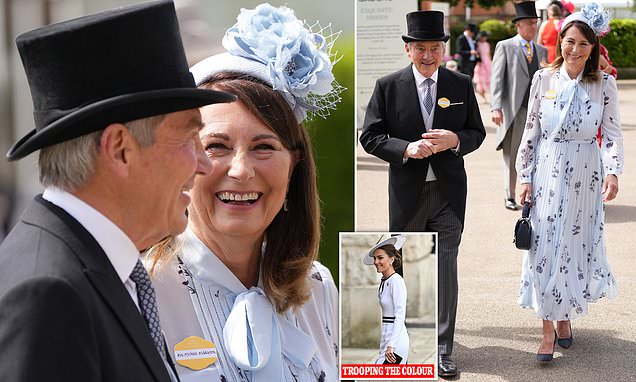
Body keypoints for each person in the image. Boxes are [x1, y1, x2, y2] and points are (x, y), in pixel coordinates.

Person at [0, 1, 235, 381]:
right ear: (120, 149)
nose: (204, 164)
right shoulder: (48, 293)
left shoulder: (92, 268)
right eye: (189, 137)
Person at [144, 4, 341, 381]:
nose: (241, 170)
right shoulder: (141, 293)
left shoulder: (318, 286)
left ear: (294, 164)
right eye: (216, 145)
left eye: (264, 147)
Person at [360, 10, 486, 378]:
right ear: (408, 49)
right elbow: (369, 136)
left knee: (445, 269)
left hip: (448, 193)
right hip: (408, 195)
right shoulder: (388, 86)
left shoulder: (460, 84)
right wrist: (405, 149)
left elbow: (476, 132)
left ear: (443, 50)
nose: (428, 55)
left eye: (434, 48)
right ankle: (404, 337)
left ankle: (443, 349)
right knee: (407, 272)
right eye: (420, 48)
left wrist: (456, 140)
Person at [515, 2, 623, 363]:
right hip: (547, 168)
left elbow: (610, 134)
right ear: (559, 41)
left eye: (581, 44)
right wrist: (523, 175)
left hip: (584, 172)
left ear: (593, 49)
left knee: (572, 247)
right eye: (568, 41)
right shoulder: (543, 79)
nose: (573, 49)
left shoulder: (604, 84)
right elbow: (531, 130)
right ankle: (547, 330)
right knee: (544, 247)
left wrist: (613, 171)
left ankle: (564, 316)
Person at [490, 1, 548, 211]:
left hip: (538, 112)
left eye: (535, 23)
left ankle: (532, 193)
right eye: (528, 23)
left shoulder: (541, 51)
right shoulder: (505, 46)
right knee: (512, 155)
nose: (533, 27)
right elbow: (496, 79)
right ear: (518, 26)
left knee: (537, 153)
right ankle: (509, 195)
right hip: (514, 111)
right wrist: (495, 107)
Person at [363, 236, 409, 365]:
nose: (376, 261)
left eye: (380, 257)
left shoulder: (396, 281)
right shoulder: (384, 282)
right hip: (387, 336)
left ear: (392, 259)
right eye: (375, 258)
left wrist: (392, 345)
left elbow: (400, 315)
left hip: (395, 339)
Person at [472, 31, 492, 103]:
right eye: (484, 36)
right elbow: (476, 54)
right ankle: (483, 97)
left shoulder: (487, 44)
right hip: (480, 63)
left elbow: (489, 54)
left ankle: (487, 96)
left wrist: (490, 62)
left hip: (487, 62)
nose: (485, 38)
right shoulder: (477, 44)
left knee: (488, 79)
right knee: (480, 80)